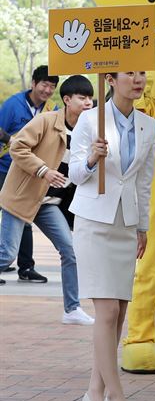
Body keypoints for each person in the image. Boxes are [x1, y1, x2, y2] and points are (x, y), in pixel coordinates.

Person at [70, 71, 155, 401]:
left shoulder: (149, 125)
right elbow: (74, 173)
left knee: (119, 312)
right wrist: (92, 158)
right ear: (110, 78)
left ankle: (94, 391)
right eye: (130, 74)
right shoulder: (90, 120)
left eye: (142, 74)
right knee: (105, 313)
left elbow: (144, 180)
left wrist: (142, 226)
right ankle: (115, 397)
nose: (138, 80)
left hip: (126, 225)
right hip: (93, 223)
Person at [0, 76, 95, 324]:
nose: (88, 103)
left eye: (89, 98)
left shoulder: (90, 130)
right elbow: (17, 147)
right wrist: (43, 170)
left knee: (70, 251)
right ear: (67, 100)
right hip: (23, 197)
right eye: (82, 98)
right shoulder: (45, 121)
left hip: (49, 203)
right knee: (6, 255)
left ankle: (72, 309)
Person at [0, 65, 58, 283]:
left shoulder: (50, 108)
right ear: (33, 83)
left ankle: (26, 267)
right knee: (17, 218)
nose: (47, 90)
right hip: (5, 170)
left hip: (31, 172)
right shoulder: (13, 105)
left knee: (24, 218)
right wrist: (10, 140)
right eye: (44, 84)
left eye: (52, 86)